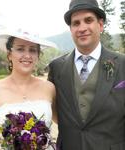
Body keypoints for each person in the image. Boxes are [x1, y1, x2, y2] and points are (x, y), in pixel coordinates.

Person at [48, 0, 125, 149]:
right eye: (76, 23)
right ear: (70, 29)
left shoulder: (123, 63)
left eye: (88, 20)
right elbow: (54, 111)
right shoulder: (56, 67)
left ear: (100, 25)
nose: (82, 28)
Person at [0, 31, 57, 149]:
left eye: (33, 50)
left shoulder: (49, 88)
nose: (27, 55)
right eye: (20, 49)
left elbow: (65, 122)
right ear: (9, 54)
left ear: (38, 56)